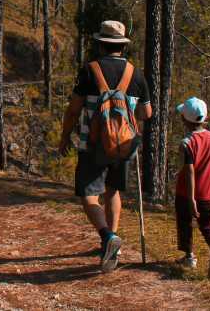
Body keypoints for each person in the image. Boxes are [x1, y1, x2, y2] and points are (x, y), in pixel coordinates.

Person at [59, 20, 152, 273]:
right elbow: (146, 112)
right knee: (113, 191)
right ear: (122, 46)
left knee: (89, 195)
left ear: (101, 44)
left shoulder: (89, 71)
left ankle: (107, 237)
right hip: (123, 145)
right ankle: (114, 242)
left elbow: (73, 109)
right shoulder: (136, 73)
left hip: (93, 144)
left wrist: (65, 136)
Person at [174, 97, 210, 279]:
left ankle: (189, 256)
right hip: (209, 193)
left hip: (186, 194)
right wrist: (209, 175)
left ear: (185, 120)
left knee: (185, 223)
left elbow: (189, 171)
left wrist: (191, 198)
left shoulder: (187, 143)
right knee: (208, 225)